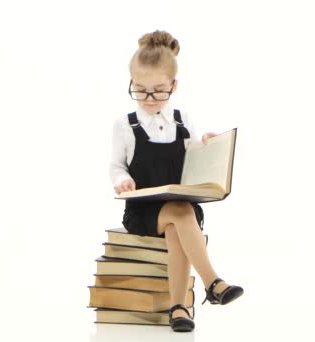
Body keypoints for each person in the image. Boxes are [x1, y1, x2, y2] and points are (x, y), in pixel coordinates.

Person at [109, 30, 243, 333]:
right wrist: (123, 180)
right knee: (179, 213)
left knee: (177, 223)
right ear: (131, 83)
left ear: (173, 85)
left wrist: (208, 144)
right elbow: (116, 165)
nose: (149, 99)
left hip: (180, 210)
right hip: (143, 213)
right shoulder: (125, 125)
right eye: (140, 90)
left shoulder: (185, 121)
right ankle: (213, 282)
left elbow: (196, 163)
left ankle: (179, 308)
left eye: (158, 90)